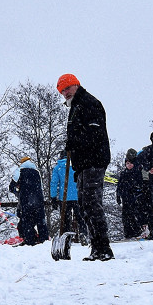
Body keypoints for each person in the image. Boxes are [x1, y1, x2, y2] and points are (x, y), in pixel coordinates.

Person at [57, 74, 114, 261]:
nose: (65, 93)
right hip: (83, 164)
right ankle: (96, 248)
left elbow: (94, 133)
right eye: (62, 91)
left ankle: (103, 248)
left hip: (94, 161)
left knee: (91, 204)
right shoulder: (75, 106)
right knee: (84, 205)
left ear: (76, 85)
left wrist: (74, 141)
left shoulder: (89, 103)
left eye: (67, 88)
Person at [10, 155, 49, 246]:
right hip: (38, 199)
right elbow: (41, 187)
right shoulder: (37, 172)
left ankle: (29, 240)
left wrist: (18, 193)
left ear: (22, 163)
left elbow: (11, 187)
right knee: (41, 220)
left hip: (26, 200)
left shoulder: (19, 171)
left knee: (26, 220)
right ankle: (44, 240)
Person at [49, 149, 87, 240]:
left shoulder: (58, 168)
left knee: (65, 218)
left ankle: (66, 236)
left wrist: (53, 197)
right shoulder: (77, 166)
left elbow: (54, 183)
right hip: (78, 195)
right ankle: (83, 233)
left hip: (64, 196)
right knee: (80, 216)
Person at [116, 149, 148, 239]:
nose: (129, 165)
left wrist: (137, 191)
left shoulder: (137, 172)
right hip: (125, 198)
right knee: (126, 216)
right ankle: (128, 233)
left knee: (136, 215)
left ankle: (137, 232)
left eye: (130, 163)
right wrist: (118, 195)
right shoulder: (123, 173)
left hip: (135, 197)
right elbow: (119, 185)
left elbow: (141, 184)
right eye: (127, 164)